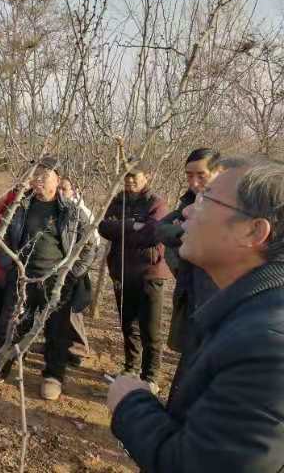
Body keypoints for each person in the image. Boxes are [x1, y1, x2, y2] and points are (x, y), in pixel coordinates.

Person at [109, 156, 284, 473]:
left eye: (206, 201)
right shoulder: (246, 314)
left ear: (254, 231)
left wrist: (131, 403)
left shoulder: (268, 345)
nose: (188, 210)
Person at [0, 156, 96, 401]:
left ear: (58, 179)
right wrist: (12, 265)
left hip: (56, 281)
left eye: (45, 175)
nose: (38, 179)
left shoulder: (71, 211)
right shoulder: (21, 206)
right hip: (23, 278)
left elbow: (89, 245)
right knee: (9, 324)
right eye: (36, 174)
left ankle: (53, 376)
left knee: (56, 331)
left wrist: (73, 274)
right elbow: (4, 236)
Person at [98, 163, 170, 393]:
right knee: (128, 324)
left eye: (134, 177)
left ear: (147, 176)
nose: (129, 181)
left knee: (150, 328)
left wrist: (122, 231)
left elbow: (153, 233)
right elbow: (104, 227)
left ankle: (151, 375)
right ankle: (130, 367)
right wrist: (131, 225)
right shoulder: (119, 201)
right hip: (122, 271)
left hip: (150, 273)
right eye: (126, 177)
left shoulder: (156, 202)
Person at [155, 148, 221, 355]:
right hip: (189, 291)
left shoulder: (233, 206)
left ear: (219, 171)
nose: (193, 183)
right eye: (189, 175)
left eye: (201, 175)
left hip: (217, 297)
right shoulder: (189, 202)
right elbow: (161, 229)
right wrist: (184, 232)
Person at [58, 176, 99, 362]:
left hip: (74, 271)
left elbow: (93, 244)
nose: (60, 193)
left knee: (72, 311)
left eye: (64, 189)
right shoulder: (57, 208)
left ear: (73, 191)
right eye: (58, 188)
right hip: (57, 270)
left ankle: (79, 348)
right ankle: (59, 344)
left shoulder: (81, 212)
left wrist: (76, 270)